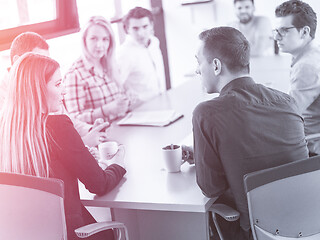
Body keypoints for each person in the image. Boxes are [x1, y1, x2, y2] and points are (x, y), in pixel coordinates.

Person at [193, 27, 308, 239]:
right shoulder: (288, 102)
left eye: (198, 62)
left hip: (254, 232)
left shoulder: (206, 113)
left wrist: (204, 156)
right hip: (306, 224)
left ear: (216, 65)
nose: (197, 70)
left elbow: (211, 188)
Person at [0, 52, 126, 240]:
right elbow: (99, 184)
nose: (64, 91)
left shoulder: (7, 130)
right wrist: (117, 163)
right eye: (58, 84)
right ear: (37, 89)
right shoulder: (58, 127)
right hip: (71, 233)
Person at [0, 31, 108, 148]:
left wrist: (91, 129)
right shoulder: (4, 99)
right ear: (17, 61)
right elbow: (34, 146)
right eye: (39, 61)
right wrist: (83, 142)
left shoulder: (46, 85)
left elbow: (68, 121)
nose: (45, 68)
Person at [274, 0, 320, 156]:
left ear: (304, 32)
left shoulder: (307, 66)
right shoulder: (311, 54)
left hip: (312, 147)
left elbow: (287, 118)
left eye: (284, 30)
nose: (276, 37)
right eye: (276, 31)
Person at [64, 16, 130, 125]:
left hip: (123, 126)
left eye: (105, 39)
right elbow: (74, 119)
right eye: (93, 38)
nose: (100, 45)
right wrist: (105, 111)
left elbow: (119, 99)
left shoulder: (111, 65)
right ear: (84, 40)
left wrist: (127, 101)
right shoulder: (75, 74)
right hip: (101, 136)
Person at [117, 7, 166, 103]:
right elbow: (117, 83)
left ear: (151, 25)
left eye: (145, 26)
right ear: (127, 29)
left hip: (161, 100)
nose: (141, 33)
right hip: (141, 108)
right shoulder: (124, 53)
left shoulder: (154, 42)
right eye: (135, 28)